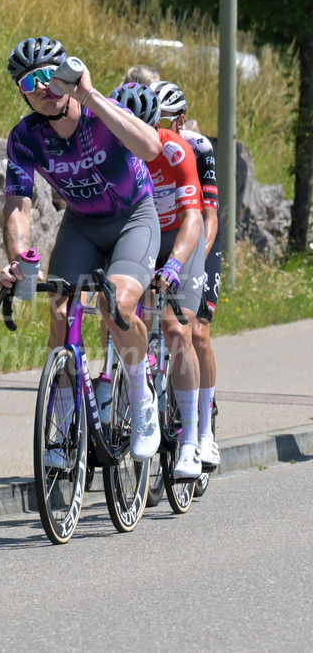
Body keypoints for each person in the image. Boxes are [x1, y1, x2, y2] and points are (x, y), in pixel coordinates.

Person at [0, 37, 163, 464]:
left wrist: (88, 93)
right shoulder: (25, 137)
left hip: (133, 218)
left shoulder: (100, 110)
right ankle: (65, 424)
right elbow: (18, 204)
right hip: (82, 224)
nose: (42, 89)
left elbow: (151, 148)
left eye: (50, 77)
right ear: (21, 90)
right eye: (29, 82)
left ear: (67, 75)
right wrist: (18, 257)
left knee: (116, 306)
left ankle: (140, 390)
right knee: (59, 311)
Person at [110, 82, 206, 479]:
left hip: (179, 237)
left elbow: (193, 218)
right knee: (126, 313)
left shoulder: (174, 150)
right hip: (142, 233)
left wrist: (175, 265)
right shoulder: (112, 152)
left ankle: (190, 442)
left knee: (175, 328)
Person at [151, 79, 221, 471]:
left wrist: (192, 268)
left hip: (199, 237)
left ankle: (203, 435)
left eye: (163, 122)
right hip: (159, 235)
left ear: (180, 122)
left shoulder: (198, 147)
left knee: (195, 331)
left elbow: (207, 218)